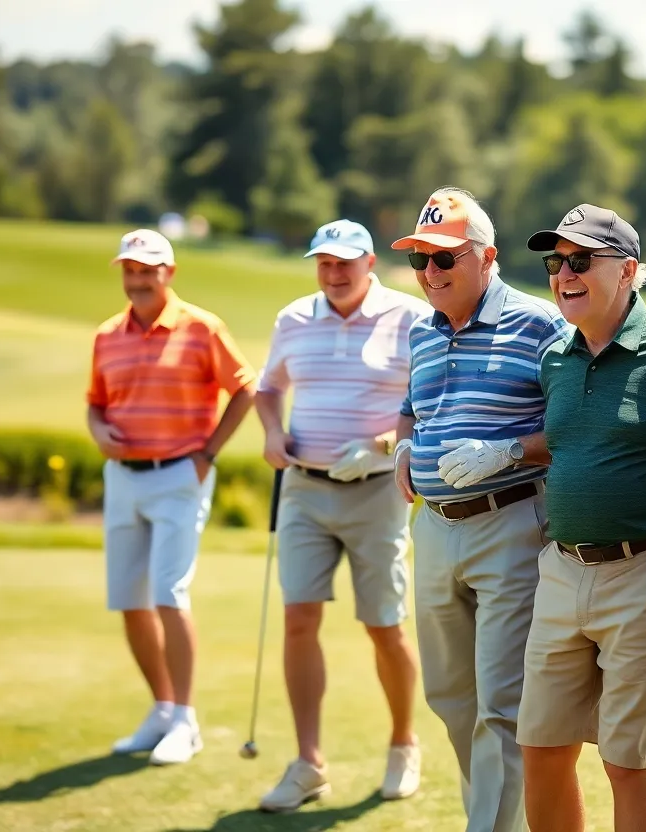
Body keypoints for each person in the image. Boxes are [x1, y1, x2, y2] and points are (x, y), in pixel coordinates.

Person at [515, 204, 646, 832]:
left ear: (627, 271)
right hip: (562, 573)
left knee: (628, 761)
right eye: (555, 262)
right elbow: (567, 442)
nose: (563, 274)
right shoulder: (555, 358)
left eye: (580, 261)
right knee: (539, 748)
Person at [392, 187, 569, 831]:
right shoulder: (422, 329)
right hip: (434, 529)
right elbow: (415, 405)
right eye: (421, 262)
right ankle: (497, 819)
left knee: (500, 702)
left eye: (444, 261)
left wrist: (507, 451)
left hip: (511, 519)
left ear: (486, 258)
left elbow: (579, 421)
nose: (429, 275)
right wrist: (405, 443)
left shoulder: (542, 324)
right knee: (450, 699)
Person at [252, 220, 432, 811]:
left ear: (369, 263)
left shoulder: (409, 318)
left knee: (383, 623)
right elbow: (268, 388)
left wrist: (382, 445)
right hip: (304, 487)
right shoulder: (293, 318)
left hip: (376, 492)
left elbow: (427, 405)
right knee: (298, 618)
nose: (333, 273)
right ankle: (309, 763)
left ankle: (404, 742)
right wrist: (273, 434)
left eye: (344, 262)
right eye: (324, 262)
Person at [87, 228, 256, 765]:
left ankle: (185, 720)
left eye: (148, 269)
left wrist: (206, 455)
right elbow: (95, 402)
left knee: (167, 594)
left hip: (180, 475)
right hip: (123, 477)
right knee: (130, 602)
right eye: (130, 270)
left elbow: (245, 387)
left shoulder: (202, 328)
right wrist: (96, 431)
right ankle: (161, 709)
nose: (138, 279)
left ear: (169, 272)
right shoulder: (107, 334)